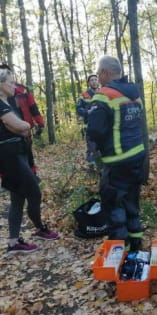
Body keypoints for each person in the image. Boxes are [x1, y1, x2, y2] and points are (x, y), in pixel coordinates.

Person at [87, 56, 146, 252]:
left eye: (98, 72)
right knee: (132, 203)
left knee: (114, 207)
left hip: (117, 161)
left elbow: (94, 130)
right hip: (137, 157)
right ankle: (136, 247)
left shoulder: (103, 95)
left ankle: (120, 255)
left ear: (104, 72)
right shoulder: (133, 93)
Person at [0, 64, 58, 254]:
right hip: (10, 157)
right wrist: (23, 126)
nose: (14, 86)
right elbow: (21, 125)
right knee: (34, 191)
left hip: (20, 153)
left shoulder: (9, 103)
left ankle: (13, 242)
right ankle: (40, 228)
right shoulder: (0, 105)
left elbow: (20, 127)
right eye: (10, 82)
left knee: (17, 197)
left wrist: (22, 128)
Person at [14, 83, 45, 174]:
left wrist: (40, 124)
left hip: (25, 131)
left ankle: (32, 176)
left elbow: (34, 109)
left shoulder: (24, 93)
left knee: (27, 155)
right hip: (7, 134)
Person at [76, 74, 99, 168]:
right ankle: (91, 165)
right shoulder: (84, 95)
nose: (94, 81)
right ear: (89, 83)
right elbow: (78, 109)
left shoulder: (103, 93)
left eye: (95, 79)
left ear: (98, 81)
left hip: (102, 124)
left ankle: (101, 164)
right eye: (92, 80)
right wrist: (88, 111)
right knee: (91, 146)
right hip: (89, 125)